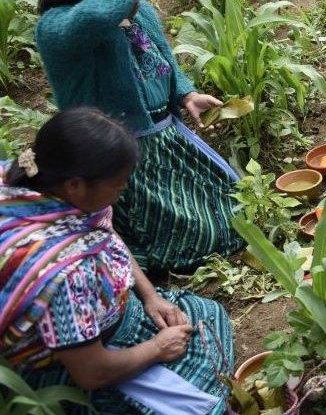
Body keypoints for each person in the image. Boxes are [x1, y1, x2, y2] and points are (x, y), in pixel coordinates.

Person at [0, 108, 234, 414]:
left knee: (207, 315)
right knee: (200, 404)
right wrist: (157, 348)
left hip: (103, 320)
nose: (123, 190)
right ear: (76, 185)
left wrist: (150, 297)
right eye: (119, 183)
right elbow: (91, 372)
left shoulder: (36, 182)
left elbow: (106, 235)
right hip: (77, 366)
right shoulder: (65, 273)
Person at [35, 0, 243, 272]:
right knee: (195, 240)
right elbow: (94, 16)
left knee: (236, 207)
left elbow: (164, 60)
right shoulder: (59, 29)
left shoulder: (138, 13)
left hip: (168, 137)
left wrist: (185, 95)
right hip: (120, 156)